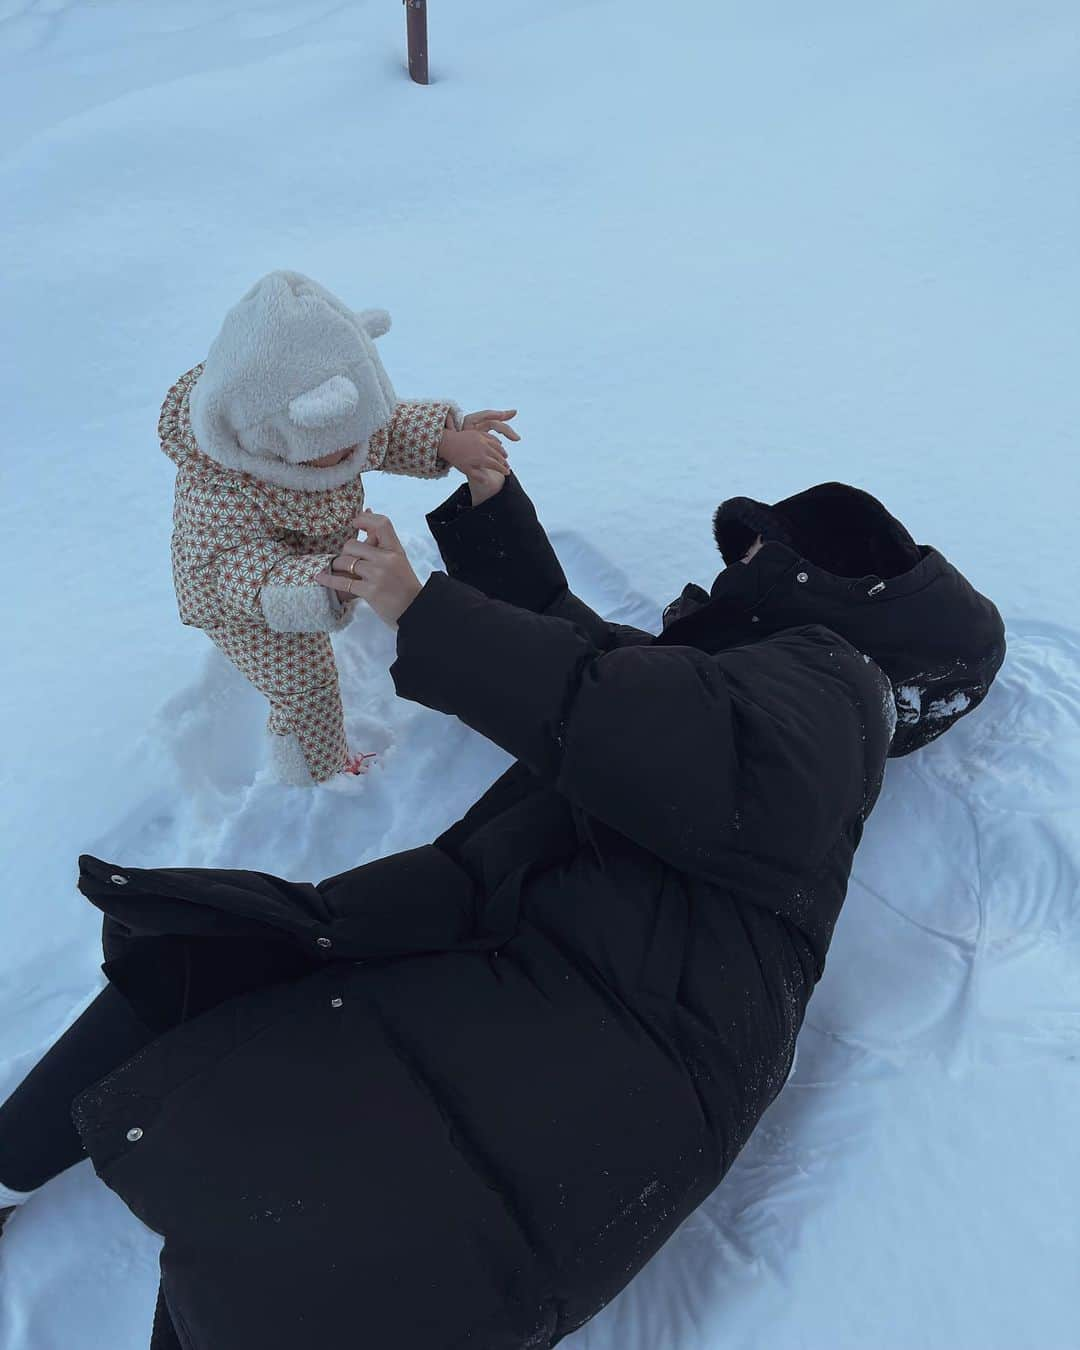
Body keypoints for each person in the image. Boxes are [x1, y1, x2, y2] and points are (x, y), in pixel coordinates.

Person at [0, 469, 1002, 1349]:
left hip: (580, 1046)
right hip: (570, 1038)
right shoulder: (773, 707)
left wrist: (422, 610)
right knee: (223, 975)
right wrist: (490, 512)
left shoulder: (829, 682)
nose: (732, 565)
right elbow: (591, 665)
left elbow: (624, 712)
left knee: (291, 1204)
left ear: (818, 577)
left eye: (755, 548)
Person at [161, 269, 518, 784]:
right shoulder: (220, 489)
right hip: (248, 603)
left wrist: (445, 440)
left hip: (323, 563)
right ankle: (317, 774)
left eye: (353, 441)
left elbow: (382, 431)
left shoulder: (338, 428)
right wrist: (323, 580)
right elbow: (235, 572)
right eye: (329, 455)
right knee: (306, 685)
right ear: (271, 440)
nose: (352, 455)